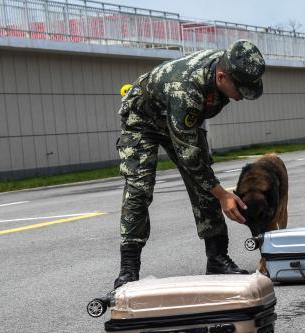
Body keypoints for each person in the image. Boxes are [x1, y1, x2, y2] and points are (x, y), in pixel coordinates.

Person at [113, 40, 266, 289]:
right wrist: (223, 195)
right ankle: (128, 270)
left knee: (205, 184)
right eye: (239, 90)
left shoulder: (231, 63)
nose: (240, 97)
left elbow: (193, 152)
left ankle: (217, 259)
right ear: (221, 77)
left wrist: (214, 189)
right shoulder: (187, 88)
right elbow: (189, 155)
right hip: (143, 122)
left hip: (180, 120)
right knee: (139, 190)